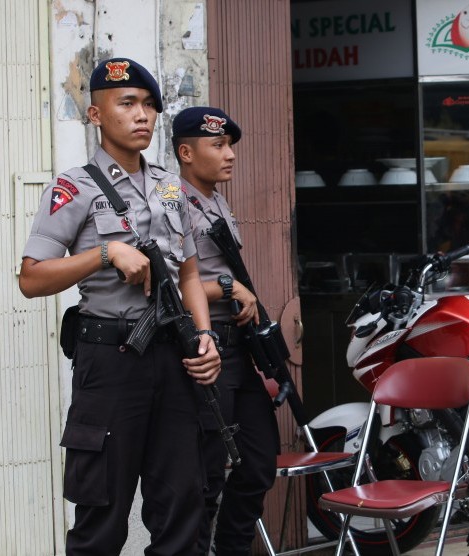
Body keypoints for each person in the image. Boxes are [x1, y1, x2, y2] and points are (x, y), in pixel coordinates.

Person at [18, 58, 222, 554]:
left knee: (182, 507)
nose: (143, 115)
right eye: (127, 103)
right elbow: (31, 278)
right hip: (111, 363)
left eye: (150, 105)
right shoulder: (75, 187)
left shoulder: (172, 187)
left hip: (175, 362)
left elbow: (190, 273)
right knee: (102, 516)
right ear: (95, 114)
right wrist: (105, 252)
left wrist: (206, 336)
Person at [172, 106, 279, 555]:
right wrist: (228, 286)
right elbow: (168, 286)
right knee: (206, 475)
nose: (230, 154)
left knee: (258, 463)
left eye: (229, 144)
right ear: (186, 152)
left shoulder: (216, 200)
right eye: (218, 145)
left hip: (238, 352)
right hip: (204, 350)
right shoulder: (169, 201)